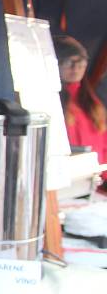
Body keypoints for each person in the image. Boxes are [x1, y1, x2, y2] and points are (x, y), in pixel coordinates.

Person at [53, 35, 107, 185]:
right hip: (66, 183)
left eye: (80, 62)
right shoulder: (50, 101)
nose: (75, 68)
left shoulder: (91, 103)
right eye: (68, 61)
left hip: (94, 182)